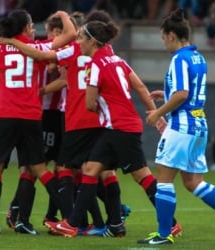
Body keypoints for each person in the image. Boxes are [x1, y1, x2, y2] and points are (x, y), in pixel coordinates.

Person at [43, 19, 182, 238]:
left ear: (93, 41)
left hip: (119, 128)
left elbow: (89, 103)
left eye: (81, 37)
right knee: (91, 170)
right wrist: (156, 116)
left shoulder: (95, 65)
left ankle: (170, 223)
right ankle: (74, 223)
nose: (78, 41)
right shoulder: (119, 61)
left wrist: (103, 110)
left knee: (142, 176)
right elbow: (141, 87)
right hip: (121, 127)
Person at [136, 9, 215, 245]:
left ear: (171, 35)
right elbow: (186, 92)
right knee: (193, 182)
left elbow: (182, 94)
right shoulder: (198, 57)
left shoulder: (178, 58)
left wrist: (158, 112)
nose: (164, 43)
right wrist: (165, 94)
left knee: (164, 177)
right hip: (199, 124)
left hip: (181, 125)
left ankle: (164, 234)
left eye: (163, 37)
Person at [0, 9, 75, 235]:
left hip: (4, 114)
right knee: (40, 169)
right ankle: (70, 218)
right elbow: (69, 35)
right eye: (30, 25)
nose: (33, 28)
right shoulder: (38, 47)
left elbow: (1, 54)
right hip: (31, 115)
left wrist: (9, 40)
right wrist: (64, 16)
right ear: (25, 28)